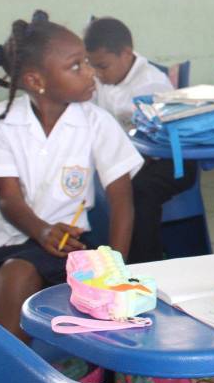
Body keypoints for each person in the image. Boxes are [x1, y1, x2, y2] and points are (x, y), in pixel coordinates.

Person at [0, 10, 142, 341]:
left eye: (87, 62)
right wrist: (42, 229)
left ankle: (2, 372)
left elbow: (122, 202)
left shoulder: (97, 123)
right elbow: (8, 198)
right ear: (36, 81)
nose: (90, 72)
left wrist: (113, 272)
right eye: (76, 66)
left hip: (63, 248)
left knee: (17, 274)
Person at [83, 16, 196, 263]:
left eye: (102, 66)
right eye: (92, 66)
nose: (97, 74)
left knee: (138, 193)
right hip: (134, 158)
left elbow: (161, 141)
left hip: (170, 161)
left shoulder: (150, 84)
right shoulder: (104, 79)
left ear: (126, 54)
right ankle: (100, 250)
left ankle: (146, 263)